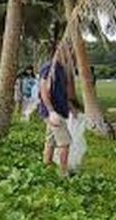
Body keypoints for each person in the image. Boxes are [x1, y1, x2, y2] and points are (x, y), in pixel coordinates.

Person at [38, 45, 78, 177]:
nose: (70, 56)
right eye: (68, 53)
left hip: (59, 111)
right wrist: (51, 111)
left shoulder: (62, 69)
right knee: (65, 142)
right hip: (53, 112)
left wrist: (70, 107)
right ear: (58, 52)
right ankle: (63, 173)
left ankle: (46, 166)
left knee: (50, 140)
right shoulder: (49, 67)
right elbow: (44, 91)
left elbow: (61, 92)